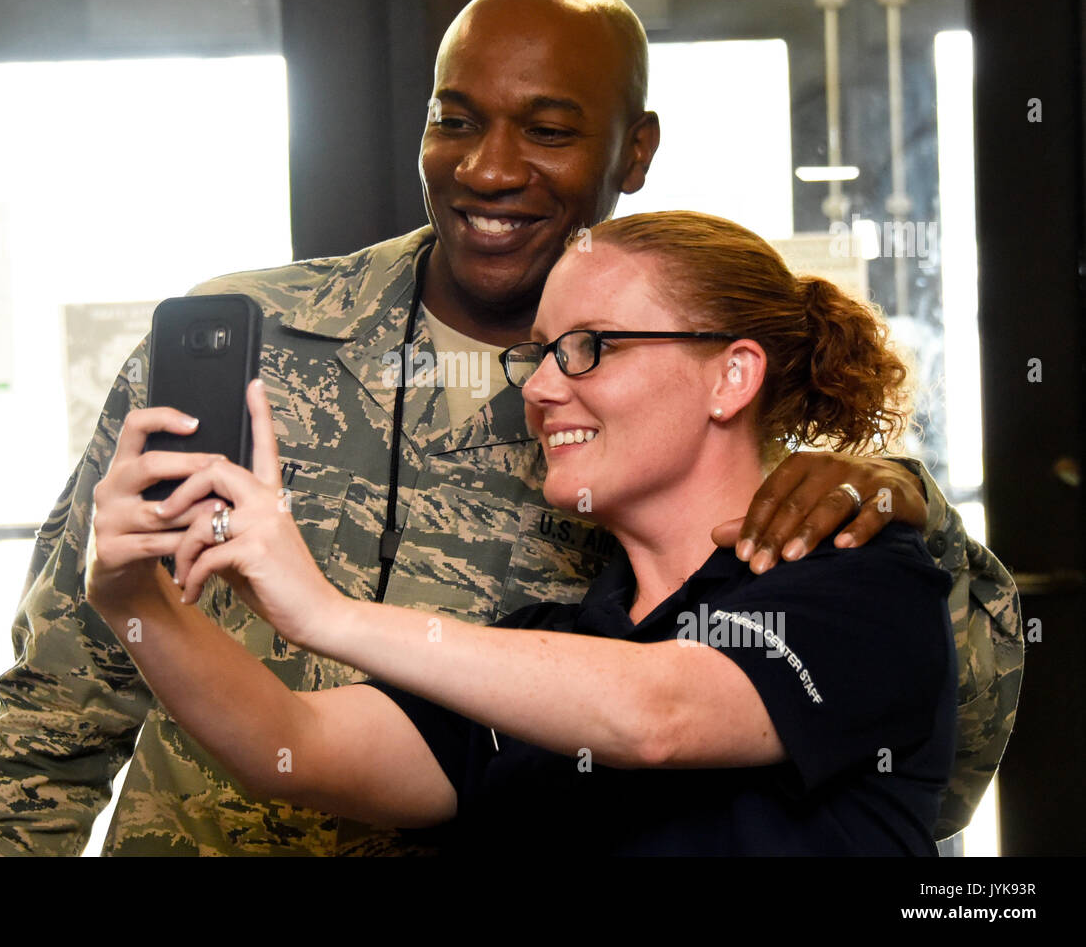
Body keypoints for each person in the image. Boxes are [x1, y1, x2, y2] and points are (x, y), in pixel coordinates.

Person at [0, 0, 1019, 857]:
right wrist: (131, 596)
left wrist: (900, 495)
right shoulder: (554, 635)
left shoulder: (838, 568)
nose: (490, 168)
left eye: (547, 127)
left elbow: (701, 715)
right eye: (456, 118)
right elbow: (261, 738)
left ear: (634, 148)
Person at [85, 210, 959, 856]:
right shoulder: (553, 643)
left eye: (586, 347)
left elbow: (657, 714)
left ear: (731, 375)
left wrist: (322, 609)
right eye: (537, 353)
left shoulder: (857, 579)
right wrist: (134, 598)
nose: (540, 388)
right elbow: (295, 746)